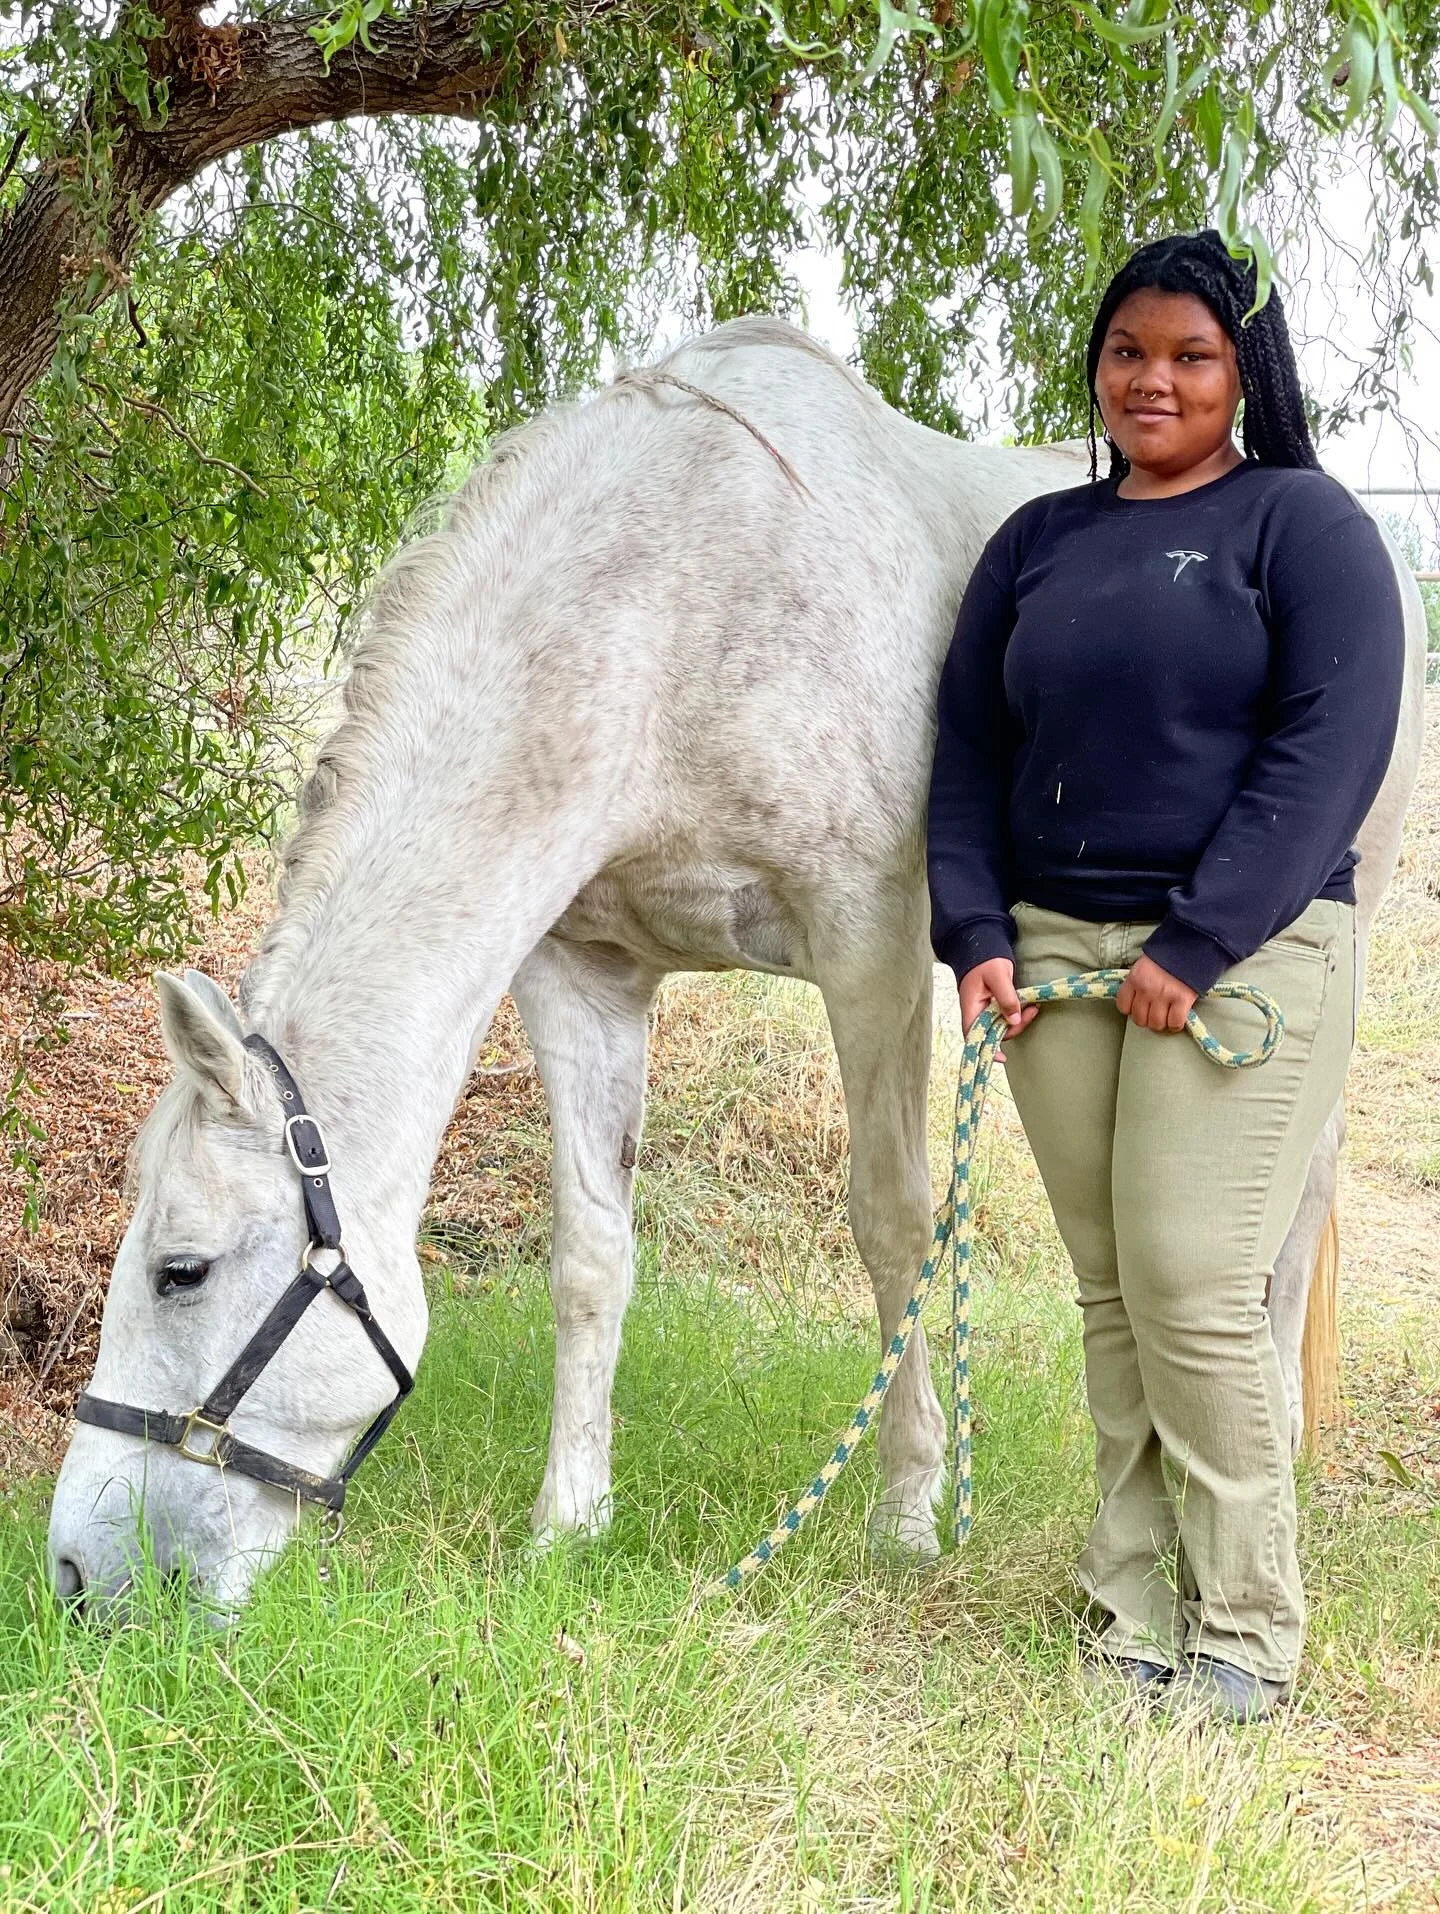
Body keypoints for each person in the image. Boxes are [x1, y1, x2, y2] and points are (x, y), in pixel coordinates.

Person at [926, 229, 1406, 1723]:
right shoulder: (1038, 543)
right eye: (1128, 350)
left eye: (1192, 354)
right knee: (1116, 1289)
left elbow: (1328, 754)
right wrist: (976, 931)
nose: (1155, 379)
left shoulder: (1303, 527)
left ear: (1243, 371)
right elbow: (969, 750)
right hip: (1053, 958)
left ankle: (1247, 1630)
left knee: (1193, 1283)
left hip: (1250, 955)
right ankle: (1128, 1603)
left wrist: (1195, 945)